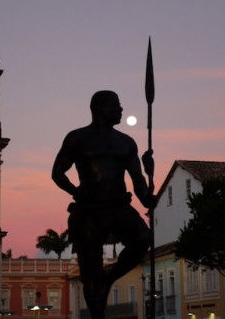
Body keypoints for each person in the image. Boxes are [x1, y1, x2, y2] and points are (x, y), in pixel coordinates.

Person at [52, 90, 155, 319]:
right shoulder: (77, 138)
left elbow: (142, 190)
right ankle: (97, 311)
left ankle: (108, 279)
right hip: (89, 210)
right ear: (99, 108)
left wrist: (151, 174)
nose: (120, 110)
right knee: (89, 272)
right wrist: (76, 192)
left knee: (143, 239)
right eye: (116, 106)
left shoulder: (126, 142)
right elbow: (58, 173)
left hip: (119, 206)